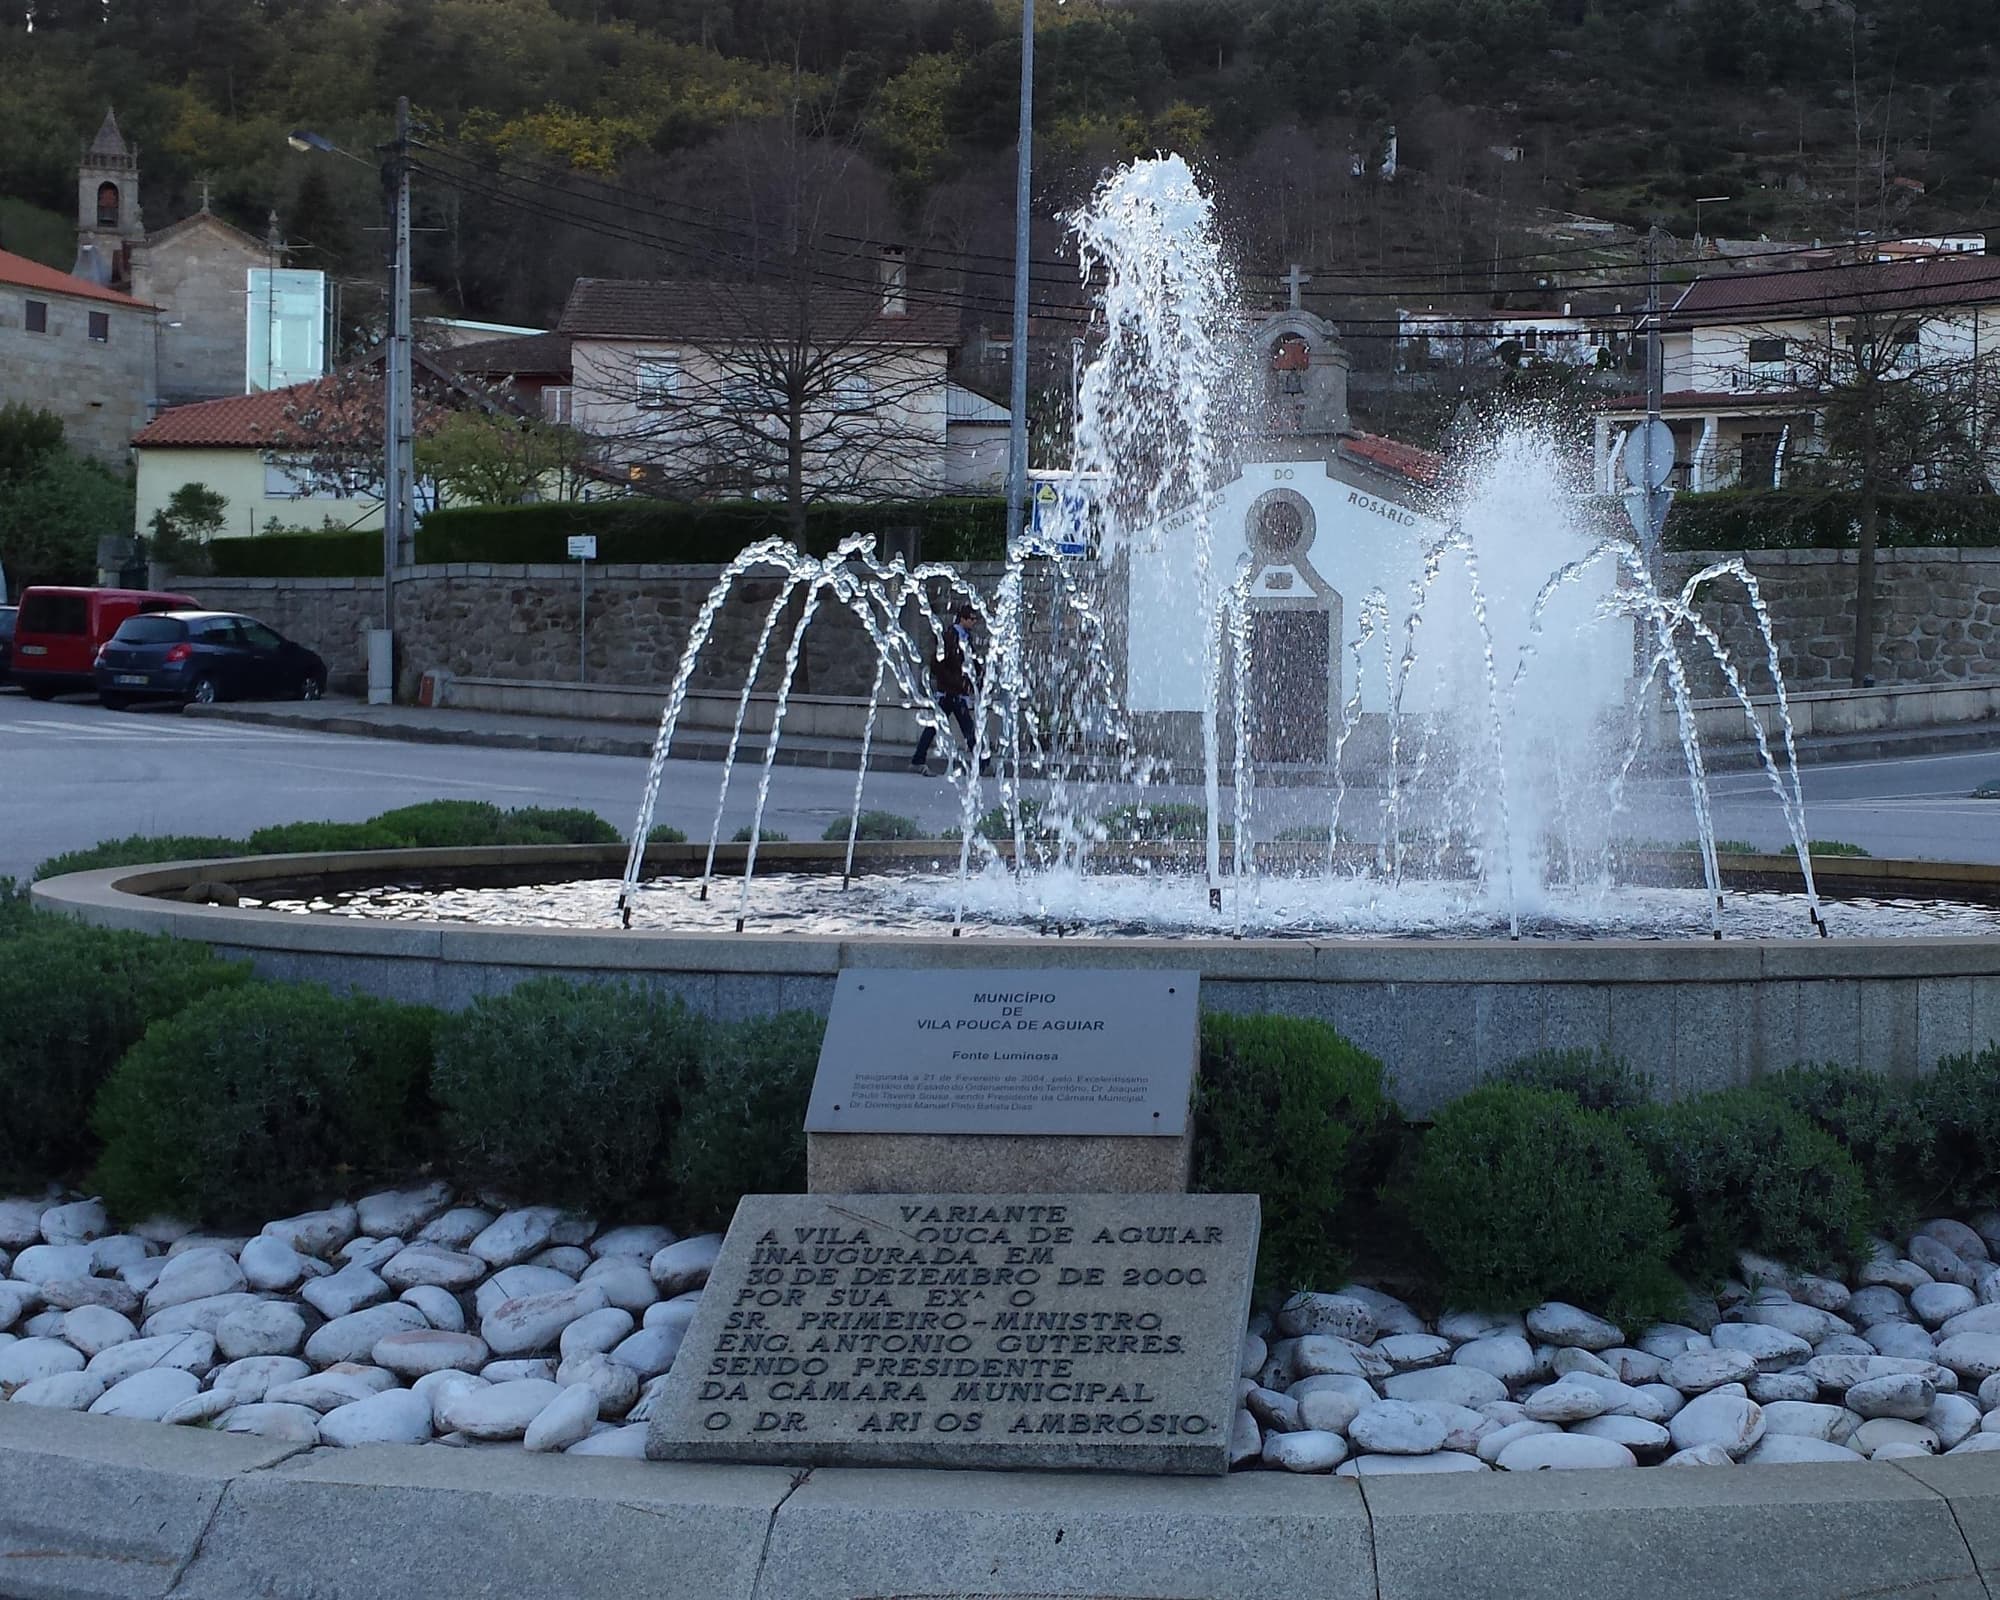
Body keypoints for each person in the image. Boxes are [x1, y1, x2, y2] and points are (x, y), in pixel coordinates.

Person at [911, 603, 985, 773]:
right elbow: (938, 664)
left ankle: (918, 759)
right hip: (949, 691)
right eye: (972, 619)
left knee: (940, 726)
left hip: (956, 691)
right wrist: (956, 682)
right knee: (965, 727)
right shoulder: (949, 636)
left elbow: (971, 660)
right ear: (963, 619)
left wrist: (978, 674)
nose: (974, 622)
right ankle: (981, 762)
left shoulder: (965, 637)